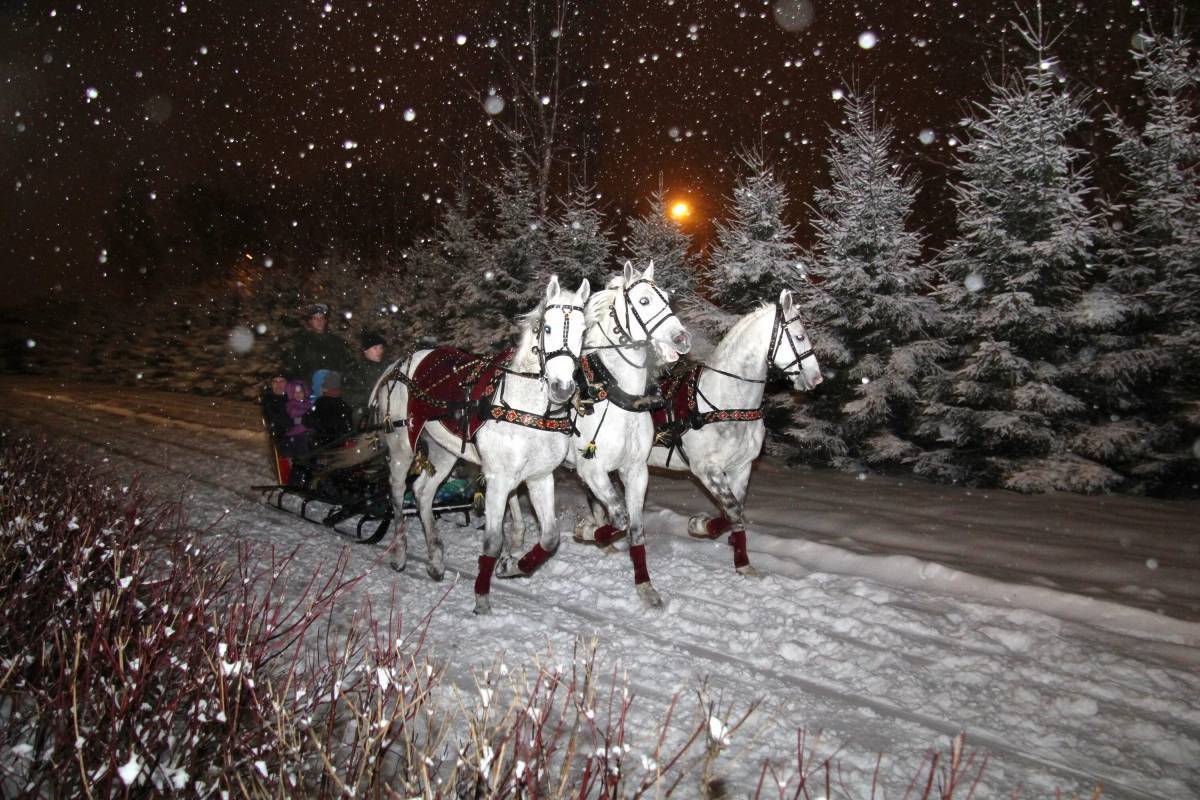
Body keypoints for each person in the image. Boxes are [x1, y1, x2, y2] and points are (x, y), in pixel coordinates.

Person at [280, 303, 355, 394]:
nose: (319, 321)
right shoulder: (303, 343)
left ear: (325, 321)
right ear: (310, 321)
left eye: (321, 318)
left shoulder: (336, 342)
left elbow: (345, 365)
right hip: (311, 391)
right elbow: (297, 369)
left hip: (333, 390)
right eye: (315, 318)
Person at [342, 329, 387, 429]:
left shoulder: (387, 367)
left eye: (381, 347)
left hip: (388, 406)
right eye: (375, 348)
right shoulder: (354, 370)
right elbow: (350, 396)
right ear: (365, 351)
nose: (379, 351)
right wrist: (374, 397)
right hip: (367, 409)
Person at [306, 371, 354, 450]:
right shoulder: (344, 405)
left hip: (326, 446)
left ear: (325, 388)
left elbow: (308, 420)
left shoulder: (320, 403)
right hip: (342, 446)